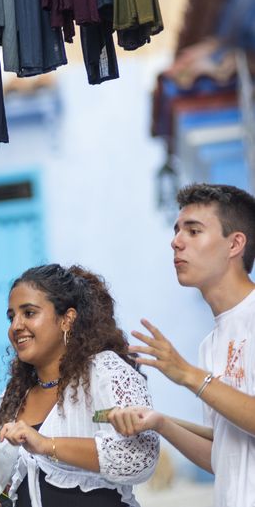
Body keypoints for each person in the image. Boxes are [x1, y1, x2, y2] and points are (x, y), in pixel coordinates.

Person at [108, 183, 255, 507]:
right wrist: (159, 422)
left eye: (193, 231)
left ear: (235, 244)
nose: (176, 242)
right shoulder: (211, 343)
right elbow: (223, 455)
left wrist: (188, 375)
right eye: (177, 231)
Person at [0, 264, 159, 507]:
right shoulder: (14, 396)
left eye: (28, 313)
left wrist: (47, 445)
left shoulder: (104, 373)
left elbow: (140, 458)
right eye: (11, 316)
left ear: (67, 320)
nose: (15, 326)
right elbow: (16, 486)